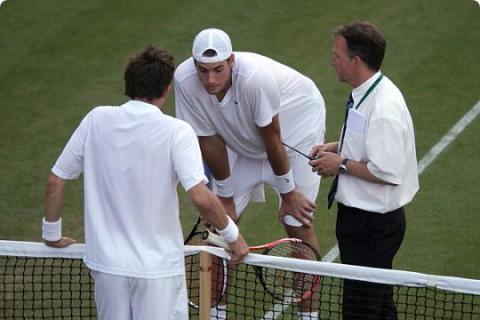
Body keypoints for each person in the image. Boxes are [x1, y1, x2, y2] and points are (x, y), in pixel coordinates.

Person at [41, 46, 249, 320]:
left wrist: (51, 234)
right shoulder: (178, 132)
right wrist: (233, 237)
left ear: (129, 85)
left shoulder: (95, 119)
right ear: (166, 90)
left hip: (107, 267)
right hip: (158, 270)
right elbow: (200, 197)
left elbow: (56, 181)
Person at [175, 27, 326, 320]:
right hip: (242, 139)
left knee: (297, 221)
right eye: (203, 71)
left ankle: (309, 316)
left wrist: (288, 192)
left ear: (231, 60)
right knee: (220, 229)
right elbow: (207, 139)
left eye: (218, 70)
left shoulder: (256, 78)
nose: (210, 80)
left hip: (294, 133)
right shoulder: (184, 79)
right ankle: (215, 314)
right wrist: (226, 196)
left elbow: (273, 136)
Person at [309, 22, 419, 319]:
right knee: (380, 307)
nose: (333, 60)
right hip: (362, 222)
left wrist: (340, 165)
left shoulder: (384, 108)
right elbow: (365, 141)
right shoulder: (366, 92)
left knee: (360, 311)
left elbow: (387, 171)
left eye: (338, 55)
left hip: (372, 227)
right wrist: (333, 148)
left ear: (356, 61)